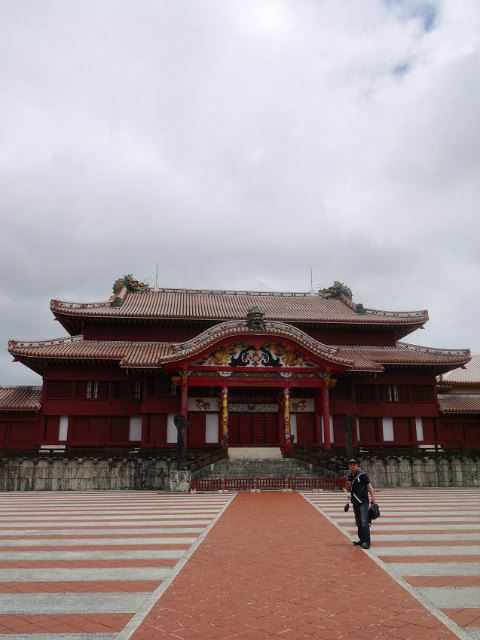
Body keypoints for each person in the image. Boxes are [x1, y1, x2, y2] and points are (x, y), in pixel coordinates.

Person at [346, 459, 376, 549]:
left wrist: (373, 497)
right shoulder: (349, 477)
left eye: (354, 465)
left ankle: (367, 542)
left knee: (364, 521)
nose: (352, 467)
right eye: (350, 465)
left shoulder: (363, 475)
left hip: (363, 502)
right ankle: (361, 540)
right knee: (358, 522)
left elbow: (368, 486)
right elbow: (348, 490)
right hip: (355, 502)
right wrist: (347, 484)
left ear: (357, 466)